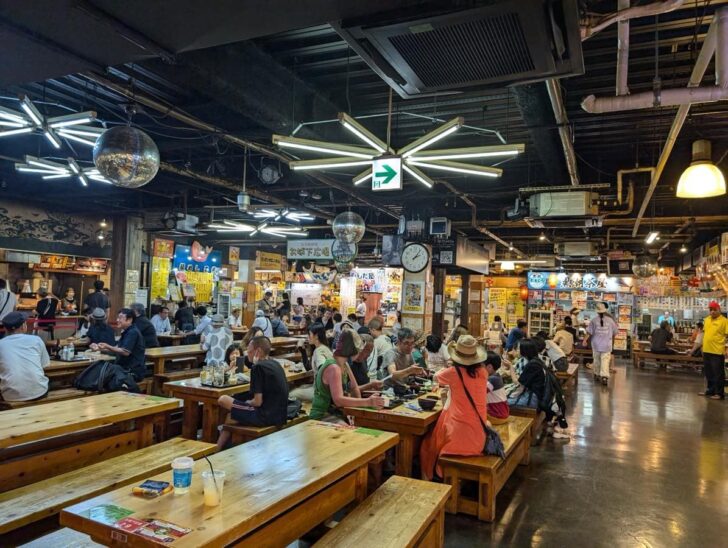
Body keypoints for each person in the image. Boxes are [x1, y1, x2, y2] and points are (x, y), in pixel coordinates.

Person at [420, 335, 488, 481]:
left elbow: (435, 377)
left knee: (427, 444)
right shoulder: (483, 372)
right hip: (479, 436)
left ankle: (428, 481)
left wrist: (450, 367)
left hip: (457, 439)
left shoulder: (453, 373)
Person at [216, 336, 289, 449]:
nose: (247, 354)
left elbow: (257, 402)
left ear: (257, 351)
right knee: (231, 416)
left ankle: (217, 449)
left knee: (223, 399)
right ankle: (217, 449)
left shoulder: (258, 367)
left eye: (249, 351)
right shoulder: (275, 364)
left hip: (265, 416)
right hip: (280, 415)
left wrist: (246, 402)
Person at [309, 329, 384, 422]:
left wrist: (361, 412)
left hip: (337, 413)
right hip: (322, 415)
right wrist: (367, 402)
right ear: (353, 349)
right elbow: (338, 400)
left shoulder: (345, 364)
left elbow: (354, 388)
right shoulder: (334, 368)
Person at [506, 339, 569, 439]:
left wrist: (511, 367)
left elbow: (518, 384)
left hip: (534, 398)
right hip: (543, 396)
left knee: (502, 402)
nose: (517, 351)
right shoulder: (537, 361)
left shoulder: (532, 365)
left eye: (518, 349)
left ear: (525, 350)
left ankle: (515, 433)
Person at [0, 311, 50, 402]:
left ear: (6, 329)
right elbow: (44, 365)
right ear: (24, 326)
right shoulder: (36, 340)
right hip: (40, 392)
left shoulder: (1, 344)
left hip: (10, 395)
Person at [91, 308, 146, 381]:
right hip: (123, 369)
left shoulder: (133, 332)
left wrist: (107, 346)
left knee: (100, 377)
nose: (117, 320)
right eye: (117, 318)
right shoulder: (127, 331)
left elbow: (125, 352)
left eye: (120, 318)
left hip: (131, 372)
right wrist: (100, 348)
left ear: (129, 320)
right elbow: (116, 349)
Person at [290, 323, 334, 402]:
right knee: (300, 386)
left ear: (316, 336)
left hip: (320, 392)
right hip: (327, 391)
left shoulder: (318, 352)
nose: (307, 337)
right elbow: (309, 368)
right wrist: (303, 351)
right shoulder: (325, 348)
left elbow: (323, 370)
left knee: (290, 394)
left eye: (309, 334)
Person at [699, 301, 728, 400]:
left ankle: (719, 393)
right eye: (710, 310)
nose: (712, 312)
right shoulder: (706, 320)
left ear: (719, 310)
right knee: (709, 373)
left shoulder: (724, 321)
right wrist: (702, 346)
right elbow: (704, 333)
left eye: (714, 310)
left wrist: (726, 348)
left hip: (717, 351)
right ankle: (710, 390)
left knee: (718, 373)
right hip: (707, 350)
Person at [585, 302, 619, 386]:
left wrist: (584, 340)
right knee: (605, 360)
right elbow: (615, 332)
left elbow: (589, 332)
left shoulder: (593, 320)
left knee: (596, 359)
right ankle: (604, 377)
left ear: (597, 311)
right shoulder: (610, 320)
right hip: (607, 344)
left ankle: (596, 374)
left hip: (596, 344)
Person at [484, 351, 509, 424]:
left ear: (489, 367)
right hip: (502, 414)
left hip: (497, 416)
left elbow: (479, 392)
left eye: (481, 366)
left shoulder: (492, 380)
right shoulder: (496, 376)